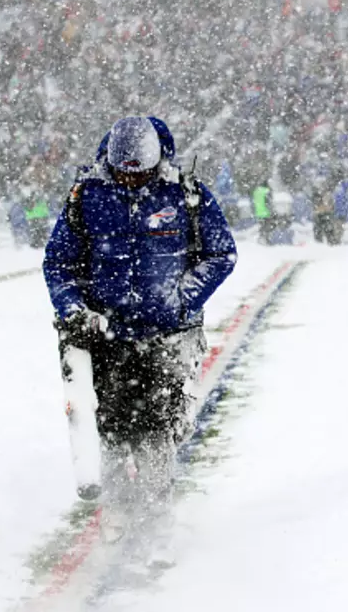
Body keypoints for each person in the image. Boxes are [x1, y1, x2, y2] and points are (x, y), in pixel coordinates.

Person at [43, 116, 237, 512]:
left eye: (141, 175)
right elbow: (58, 264)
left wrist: (182, 299)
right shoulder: (86, 197)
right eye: (122, 174)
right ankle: (116, 511)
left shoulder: (185, 194)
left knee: (159, 432)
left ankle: (156, 517)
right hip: (106, 337)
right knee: (111, 431)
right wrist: (74, 310)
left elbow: (222, 254)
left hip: (168, 336)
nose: (131, 182)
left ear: (157, 162)